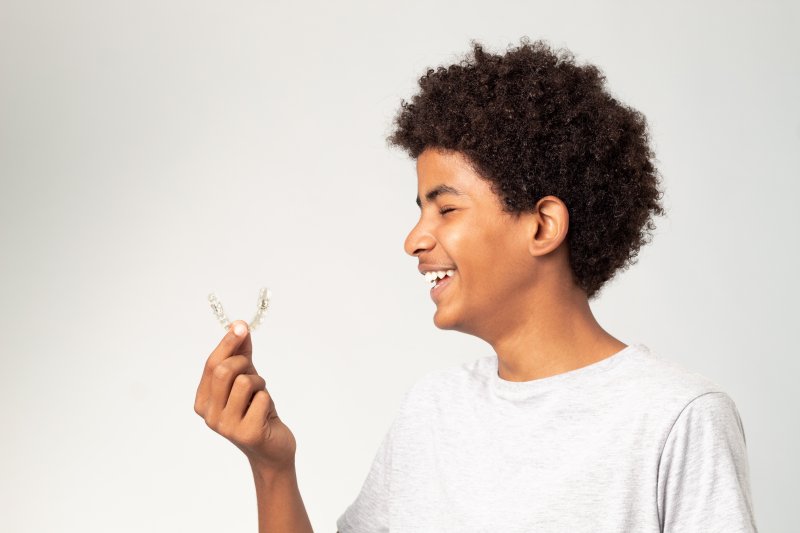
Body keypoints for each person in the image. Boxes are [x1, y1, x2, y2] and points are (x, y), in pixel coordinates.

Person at [193, 38, 758, 532]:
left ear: (542, 225)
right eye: (420, 211)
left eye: (446, 209)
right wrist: (271, 469)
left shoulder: (676, 418)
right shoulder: (431, 413)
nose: (414, 239)